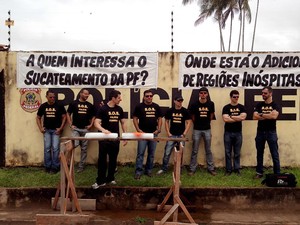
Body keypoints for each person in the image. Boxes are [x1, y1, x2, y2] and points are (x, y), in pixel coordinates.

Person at [92, 90, 127, 189]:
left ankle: (110, 178)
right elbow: (96, 123)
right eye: (119, 98)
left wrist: (124, 136)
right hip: (104, 140)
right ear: (113, 98)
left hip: (115, 139)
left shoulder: (119, 109)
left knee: (113, 160)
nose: (121, 99)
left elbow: (123, 123)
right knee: (102, 160)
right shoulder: (103, 109)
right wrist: (104, 130)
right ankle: (100, 181)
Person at [157, 95, 192, 175]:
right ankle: (164, 168)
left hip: (181, 136)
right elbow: (166, 121)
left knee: (180, 153)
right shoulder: (170, 111)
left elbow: (189, 122)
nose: (180, 102)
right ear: (174, 101)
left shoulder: (185, 111)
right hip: (172, 135)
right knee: (167, 152)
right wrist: (168, 133)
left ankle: (179, 169)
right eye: (178, 101)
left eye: (181, 101)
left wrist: (184, 133)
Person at [133, 90, 162, 179]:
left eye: (150, 96)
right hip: (143, 134)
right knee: (140, 153)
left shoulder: (156, 106)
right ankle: (138, 171)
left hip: (153, 134)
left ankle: (148, 170)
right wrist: (138, 130)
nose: (149, 97)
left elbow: (160, 118)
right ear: (144, 97)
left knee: (151, 154)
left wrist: (159, 129)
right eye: (147, 96)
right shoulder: (139, 106)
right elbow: (135, 118)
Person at [253, 86, 281, 179]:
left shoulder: (275, 105)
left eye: (265, 93)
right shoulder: (259, 105)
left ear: (270, 93)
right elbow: (254, 117)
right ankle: (259, 172)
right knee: (259, 153)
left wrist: (261, 114)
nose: (263, 95)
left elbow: (274, 116)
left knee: (274, 153)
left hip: (271, 132)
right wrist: (267, 115)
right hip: (260, 132)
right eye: (262, 93)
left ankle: (277, 173)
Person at [188, 87, 217, 176]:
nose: (203, 94)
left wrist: (207, 122)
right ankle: (192, 169)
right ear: (199, 94)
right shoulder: (194, 104)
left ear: (207, 94)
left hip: (207, 129)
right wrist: (197, 123)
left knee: (208, 150)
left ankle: (211, 168)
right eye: (201, 93)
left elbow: (212, 114)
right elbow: (192, 116)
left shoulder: (211, 104)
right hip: (197, 129)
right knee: (195, 150)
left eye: (205, 93)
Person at [36, 90, 66, 173]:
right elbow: (38, 117)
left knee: (56, 149)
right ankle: (47, 166)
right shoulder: (43, 106)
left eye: (54, 97)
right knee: (47, 149)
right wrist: (40, 128)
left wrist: (61, 128)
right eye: (50, 97)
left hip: (56, 131)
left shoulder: (59, 105)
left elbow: (64, 117)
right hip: (47, 131)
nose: (53, 98)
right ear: (46, 97)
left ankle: (55, 167)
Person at [66, 88, 96, 173]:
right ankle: (67, 161)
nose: (87, 96)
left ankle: (81, 166)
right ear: (81, 94)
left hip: (85, 130)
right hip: (76, 129)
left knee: (84, 149)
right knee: (74, 144)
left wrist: (91, 125)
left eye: (88, 94)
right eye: (85, 94)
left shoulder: (90, 105)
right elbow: (68, 114)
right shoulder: (73, 103)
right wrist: (70, 124)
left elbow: (93, 116)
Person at [222, 90, 247, 176]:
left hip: (238, 133)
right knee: (228, 152)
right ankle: (228, 170)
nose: (236, 98)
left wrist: (231, 116)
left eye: (237, 97)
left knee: (237, 152)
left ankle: (237, 169)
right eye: (234, 97)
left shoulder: (242, 107)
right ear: (231, 97)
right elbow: (225, 119)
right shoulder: (226, 107)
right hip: (228, 133)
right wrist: (237, 117)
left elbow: (243, 117)